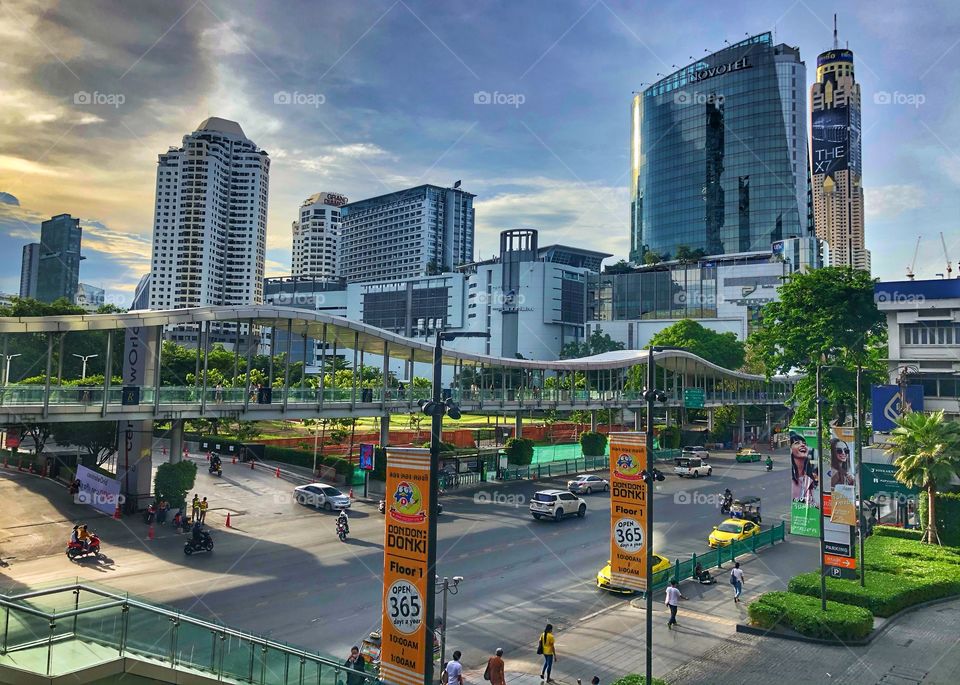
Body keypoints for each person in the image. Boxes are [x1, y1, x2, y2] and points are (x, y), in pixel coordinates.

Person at [789, 433, 819, 507]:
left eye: (804, 443)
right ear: (790, 449)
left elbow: (815, 503)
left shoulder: (810, 479)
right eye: (797, 443)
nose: (802, 445)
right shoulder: (790, 480)